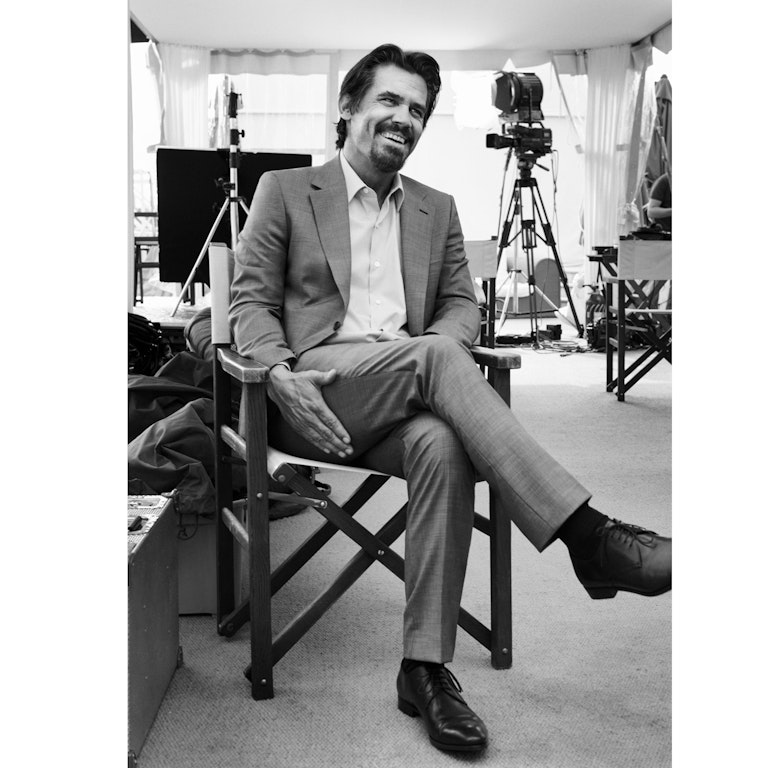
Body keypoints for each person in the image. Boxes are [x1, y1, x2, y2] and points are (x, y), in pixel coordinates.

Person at [229, 43, 671, 754]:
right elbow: (248, 304)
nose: (404, 118)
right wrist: (277, 372)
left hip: (405, 395)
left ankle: (424, 668)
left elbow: (463, 307)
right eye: (389, 100)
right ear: (347, 107)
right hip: (316, 397)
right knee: (437, 356)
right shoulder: (285, 190)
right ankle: (589, 537)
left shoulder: (436, 208)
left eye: (417, 110)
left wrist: (430, 352)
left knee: (442, 442)